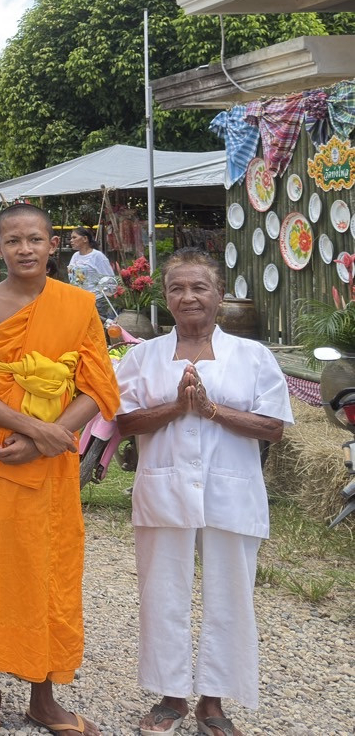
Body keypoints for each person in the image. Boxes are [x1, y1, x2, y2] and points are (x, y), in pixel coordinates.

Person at [0, 203, 120, 736]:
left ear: (54, 246)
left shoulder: (79, 303)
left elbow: (96, 385)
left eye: (35, 239)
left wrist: (53, 437)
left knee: (49, 570)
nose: (25, 249)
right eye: (13, 240)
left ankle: (44, 698)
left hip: (50, 463)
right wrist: (34, 431)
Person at [115, 249, 291, 736]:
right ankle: (170, 697)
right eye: (177, 288)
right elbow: (122, 420)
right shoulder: (143, 356)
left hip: (230, 494)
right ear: (165, 297)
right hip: (163, 489)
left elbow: (273, 427)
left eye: (199, 287)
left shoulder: (253, 356)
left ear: (219, 295)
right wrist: (175, 408)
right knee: (162, 593)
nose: (188, 296)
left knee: (230, 594)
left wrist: (211, 410)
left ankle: (213, 703)